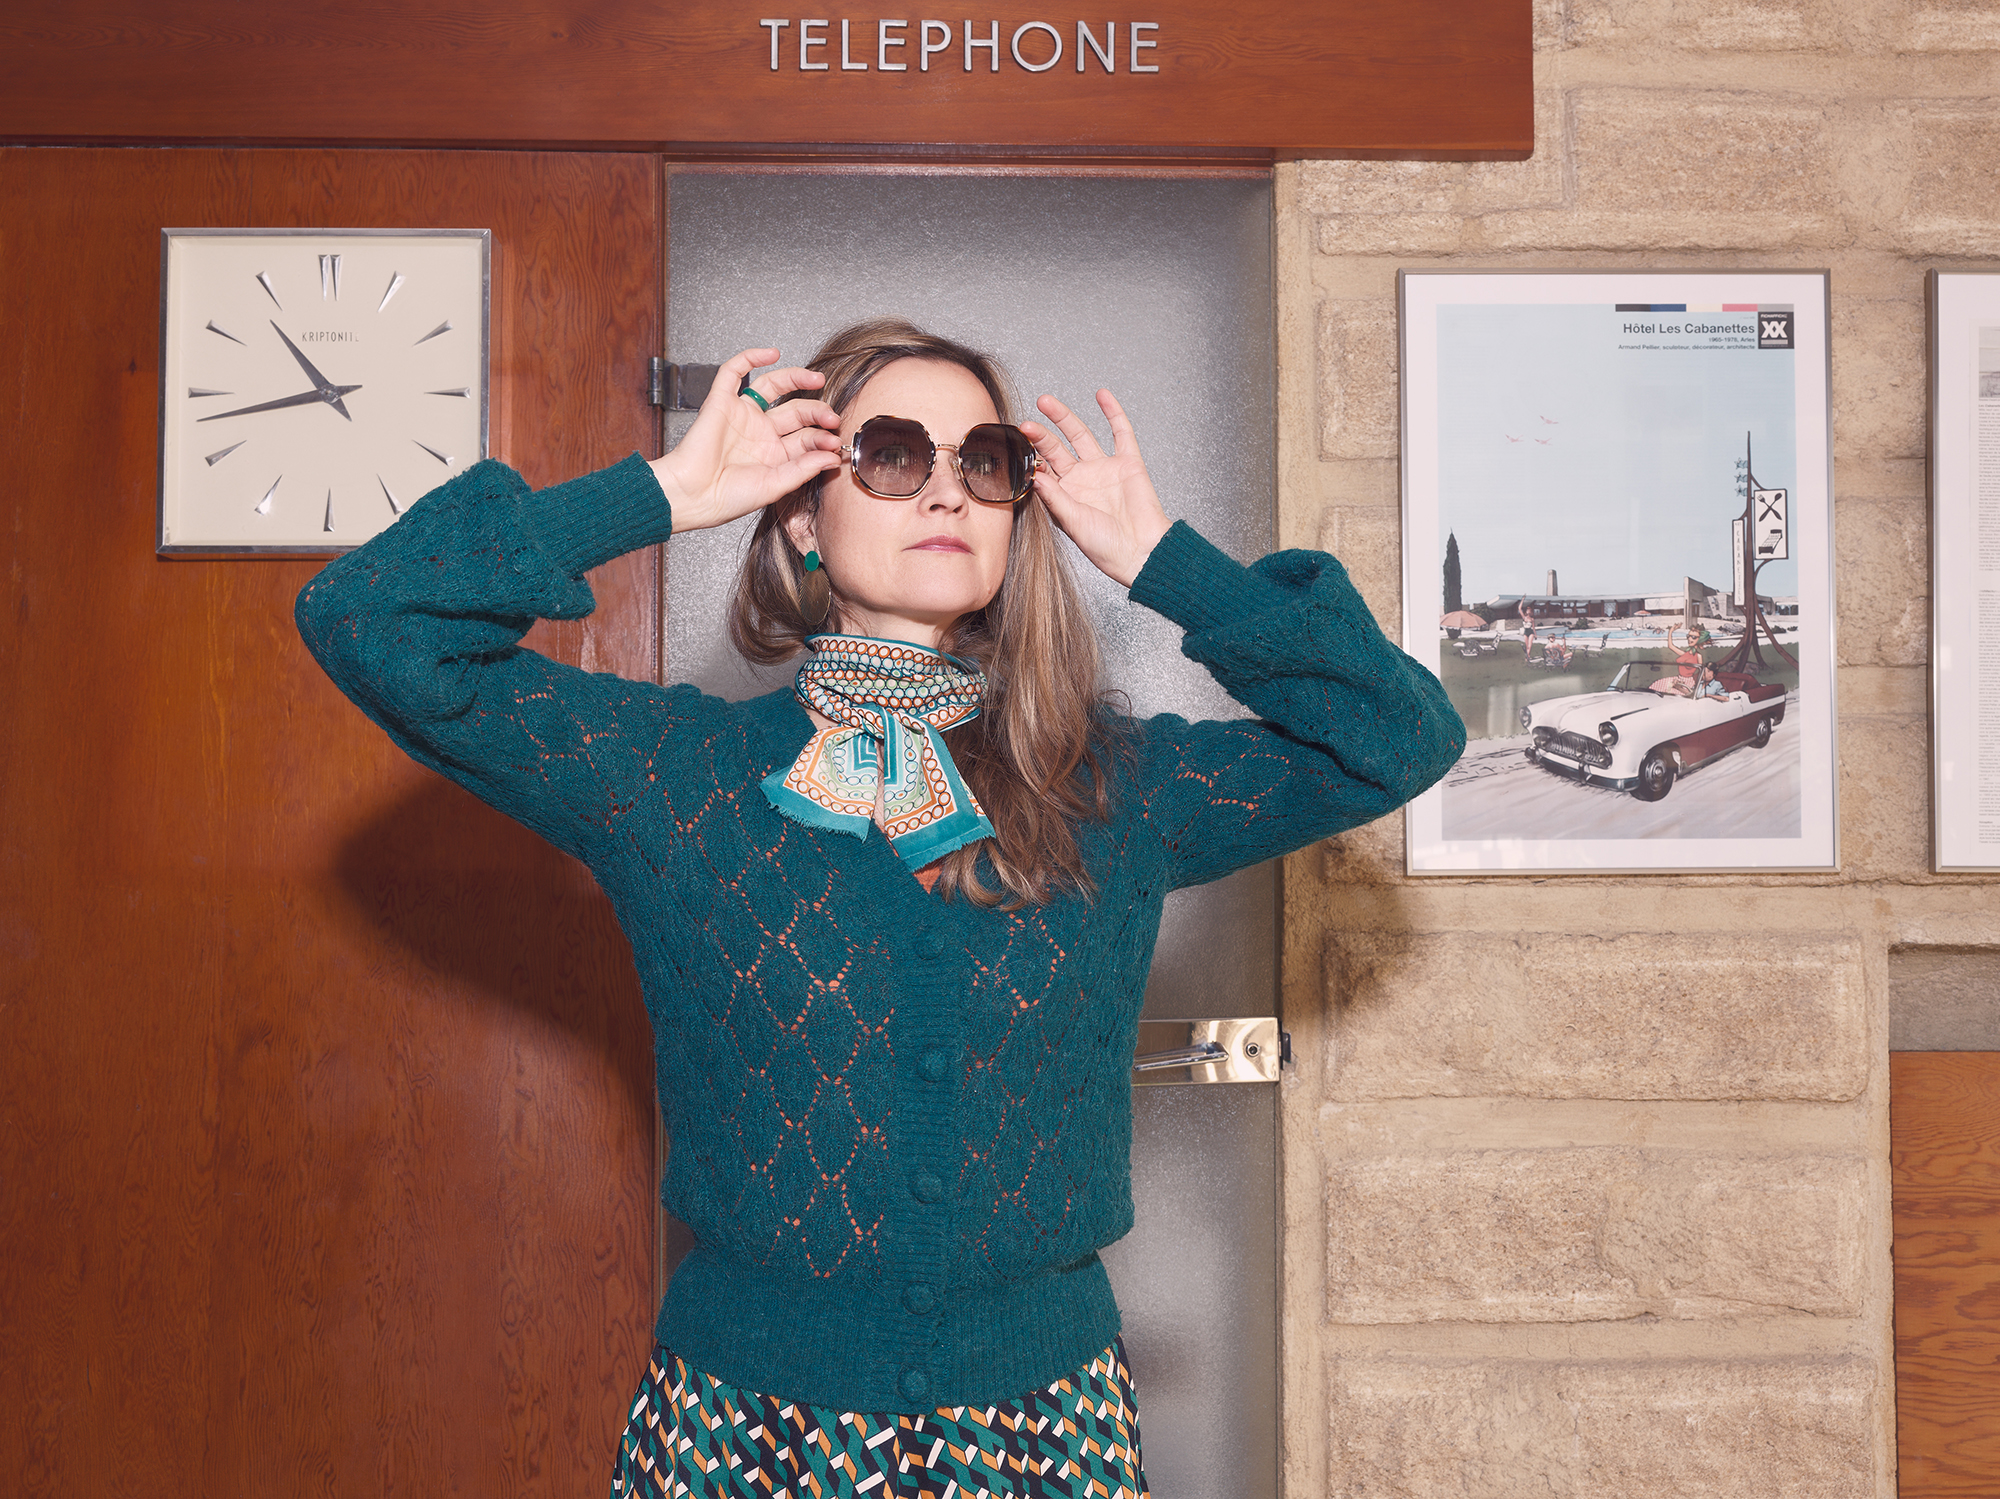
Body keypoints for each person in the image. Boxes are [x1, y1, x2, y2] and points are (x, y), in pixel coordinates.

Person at [296, 318, 1465, 1499]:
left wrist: (1166, 561)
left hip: (1047, 1435)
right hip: (742, 1432)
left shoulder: (1114, 787)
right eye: (893, 455)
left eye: (986, 462)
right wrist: (658, 495)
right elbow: (370, 619)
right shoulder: (672, 777)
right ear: (803, 517)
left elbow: (1398, 735)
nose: (945, 490)